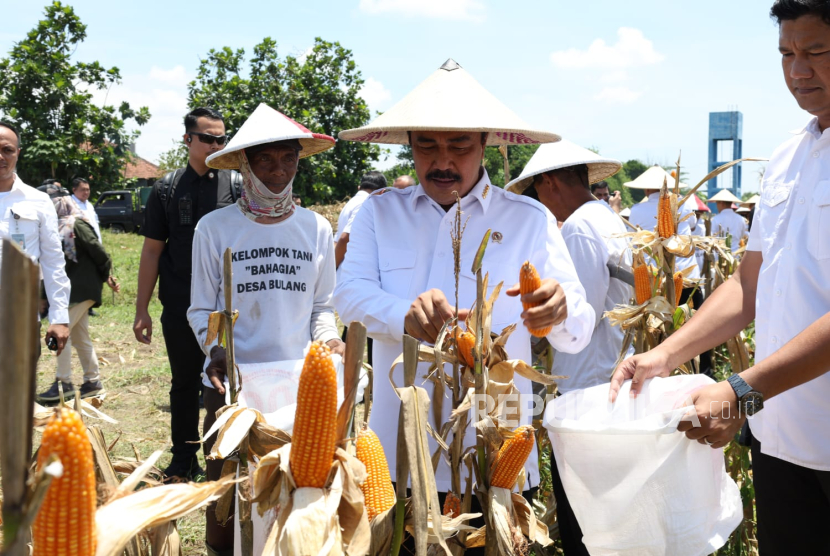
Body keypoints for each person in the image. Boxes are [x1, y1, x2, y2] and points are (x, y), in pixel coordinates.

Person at [335, 60, 594, 553]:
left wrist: (557, 311)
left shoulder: (528, 220)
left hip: (497, 444)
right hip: (401, 443)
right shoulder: (379, 212)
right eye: (427, 146)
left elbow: (577, 329)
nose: (443, 162)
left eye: (460, 147)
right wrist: (402, 315)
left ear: (486, 146)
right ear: (409, 146)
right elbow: (348, 295)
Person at [611, 2, 830, 553]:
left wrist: (740, 392)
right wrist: (666, 353)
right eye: (786, 53)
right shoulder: (788, 155)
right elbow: (747, 285)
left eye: (817, 52)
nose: (797, 71)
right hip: (781, 442)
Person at [187, 103, 344, 556]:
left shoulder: (315, 228)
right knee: (227, 501)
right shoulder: (214, 228)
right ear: (244, 164)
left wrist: (330, 339)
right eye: (265, 159)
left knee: (289, 497)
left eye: (287, 158)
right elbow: (200, 309)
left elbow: (321, 307)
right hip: (233, 387)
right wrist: (216, 350)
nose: (278, 170)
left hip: (297, 391)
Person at [506, 140, 631, 555]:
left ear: (550, 182)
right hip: (614, 372)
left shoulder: (577, 227)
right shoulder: (608, 218)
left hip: (587, 383)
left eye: (538, 191)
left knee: (583, 517)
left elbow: (580, 316)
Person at [133, 107, 241, 483]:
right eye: (207, 138)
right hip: (179, 303)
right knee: (183, 383)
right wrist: (141, 309)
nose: (215, 144)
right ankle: (183, 458)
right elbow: (152, 250)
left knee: (230, 381)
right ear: (188, 140)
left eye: (221, 139)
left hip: (227, 309)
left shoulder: (237, 186)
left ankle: (228, 456)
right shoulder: (165, 188)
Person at [37, 196, 119, 402]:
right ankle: (92, 382)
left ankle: (63, 383)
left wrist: (105, 275)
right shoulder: (57, 228)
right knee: (80, 337)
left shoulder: (77, 224)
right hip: (73, 290)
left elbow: (99, 250)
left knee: (59, 334)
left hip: (81, 290)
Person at [0, 121, 70, 355]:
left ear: (17, 153)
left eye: (7, 150)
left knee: (17, 392)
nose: (1, 156)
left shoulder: (38, 201)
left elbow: (53, 262)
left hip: (20, 319)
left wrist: (59, 317)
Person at [335, 170, 387, 269]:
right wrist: (333, 268)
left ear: (359, 187)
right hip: (353, 271)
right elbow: (345, 237)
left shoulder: (351, 203)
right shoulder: (365, 204)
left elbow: (337, 239)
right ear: (382, 192)